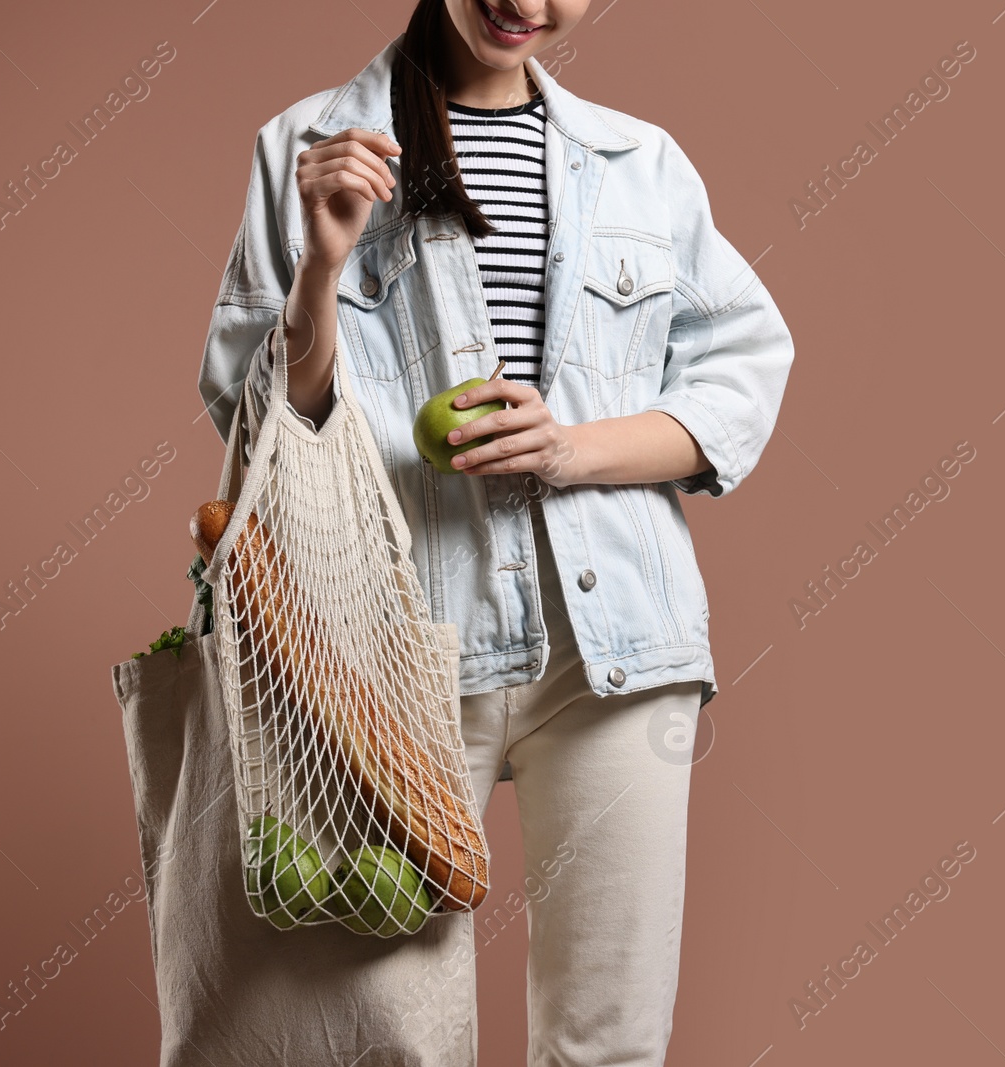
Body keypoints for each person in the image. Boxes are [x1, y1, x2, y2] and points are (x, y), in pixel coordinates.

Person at [198, 1, 796, 1063]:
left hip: (616, 648)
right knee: (383, 1034)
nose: (529, 2)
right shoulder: (306, 146)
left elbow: (739, 372)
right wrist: (322, 266)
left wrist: (567, 449)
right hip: (391, 648)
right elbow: (254, 422)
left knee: (607, 1038)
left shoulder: (640, 164)